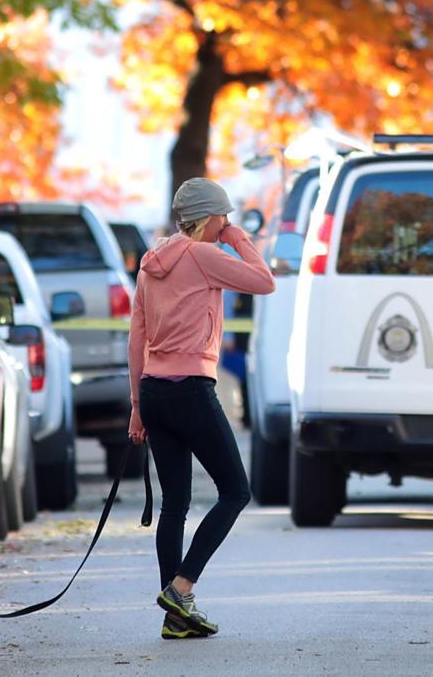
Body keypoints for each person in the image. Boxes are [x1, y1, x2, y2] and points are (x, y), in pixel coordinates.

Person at [127, 178, 275, 639]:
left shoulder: (150, 264)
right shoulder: (207, 255)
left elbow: (137, 337)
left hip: (153, 391)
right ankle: (182, 586)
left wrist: (136, 407)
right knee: (235, 491)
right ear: (209, 217)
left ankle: (177, 617)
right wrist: (239, 238)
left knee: (175, 504)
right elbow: (264, 281)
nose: (227, 224)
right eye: (223, 217)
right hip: (191, 389)